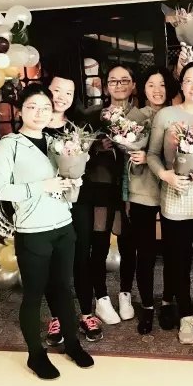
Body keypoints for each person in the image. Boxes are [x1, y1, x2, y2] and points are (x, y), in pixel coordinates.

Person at [0, 84, 94, 380]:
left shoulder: (55, 143)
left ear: (52, 112)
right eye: (32, 107)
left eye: (45, 108)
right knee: (34, 293)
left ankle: (72, 345)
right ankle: (35, 355)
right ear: (20, 111)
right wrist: (42, 186)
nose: (39, 113)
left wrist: (73, 184)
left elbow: (63, 186)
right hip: (33, 231)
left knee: (63, 289)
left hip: (63, 226)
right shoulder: (9, 145)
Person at [147, 61, 193, 345]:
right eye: (189, 80)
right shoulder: (166, 115)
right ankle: (185, 315)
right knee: (178, 261)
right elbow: (152, 154)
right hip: (175, 200)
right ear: (181, 84)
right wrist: (165, 175)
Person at [42, 76, 104, 344]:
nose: (61, 97)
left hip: (78, 202)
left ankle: (87, 314)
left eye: (68, 93)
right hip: (44, 204)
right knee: (51, 261)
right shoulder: (34, 128)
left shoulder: (79, 129)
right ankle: (57, 317)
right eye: (56, 90)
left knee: (81, 257)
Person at [80, 64, 141, 325]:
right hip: (100, 188)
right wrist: (96, 146)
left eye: (124, 80)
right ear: (106, 87)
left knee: (129, 245)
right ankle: (102, 298)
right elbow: (78, 150)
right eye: (113, 81)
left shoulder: (141, 116)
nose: (119, 85)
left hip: (132, 189)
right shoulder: (93, 116)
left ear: (133, 85)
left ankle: (125, 294)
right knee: (100, 244)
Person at [128, 66, 180, 334]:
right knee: (145, 252)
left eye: (162, 84)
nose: (157, 90)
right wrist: (134, 156)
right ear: (143, 88)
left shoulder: (177, 115)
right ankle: (147, 306)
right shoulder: (134, 117)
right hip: (142, 191)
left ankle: (168, 301)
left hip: (173, 192)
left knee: (173, 250)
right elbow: (125, 150)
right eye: (151, 84)